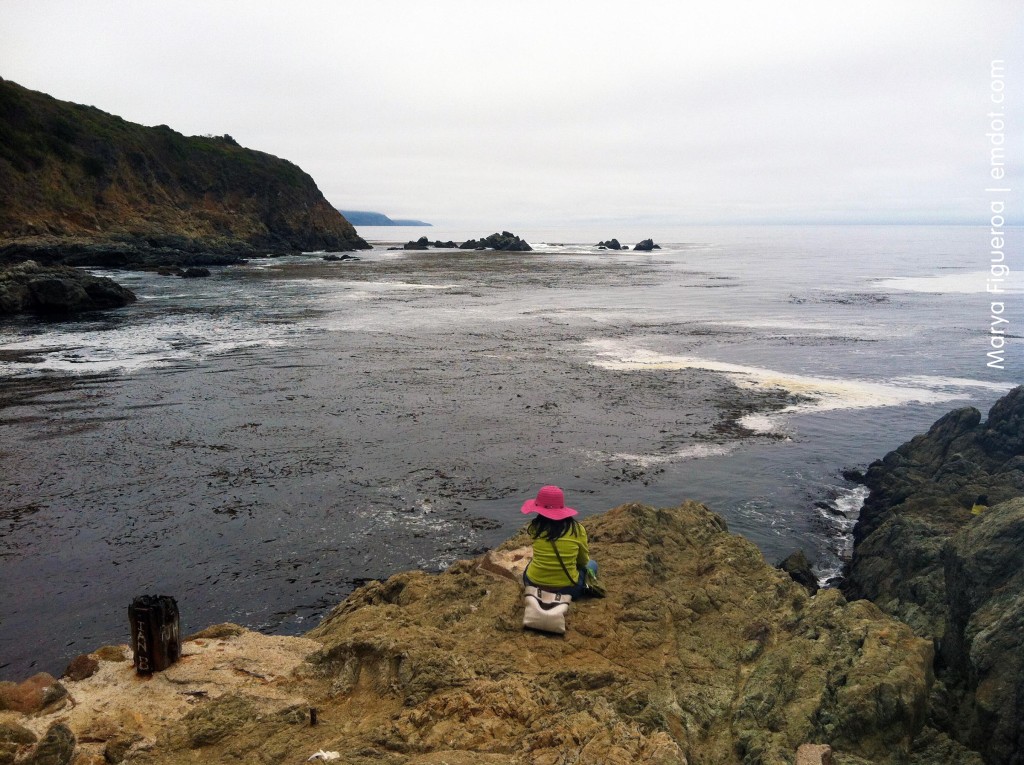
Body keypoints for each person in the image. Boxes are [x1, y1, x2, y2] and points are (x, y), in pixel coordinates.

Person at [520, 485, 599, 599]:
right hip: (568, 590)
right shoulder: (577, 529)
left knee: (531, 563)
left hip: (534, 585)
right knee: (592, 564)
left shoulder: (535, 528)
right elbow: (583, 561)